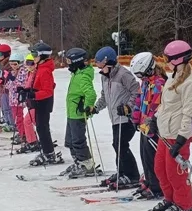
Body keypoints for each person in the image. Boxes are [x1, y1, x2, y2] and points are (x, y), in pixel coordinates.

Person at [140, 40, 192, 211]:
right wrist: (155, 119)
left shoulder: (190, 83)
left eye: (168, 58)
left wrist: (182, 138)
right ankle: (170, 200)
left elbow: (188, 113)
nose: (165, 61)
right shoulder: (173, 77)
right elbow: (165, 105)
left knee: (176, 173)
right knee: (160, 170)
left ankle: (185, 205)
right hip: (165, 134)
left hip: (177, 135)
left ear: (178, 59)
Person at [91, 46, 141, 191]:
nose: (100, 70)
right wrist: (95, 108)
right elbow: (104, 97)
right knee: (117, 145)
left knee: (121, 144)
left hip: (127, 118)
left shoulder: (124, 74)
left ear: (110, 63)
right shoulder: (104, 77)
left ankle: (132, 175)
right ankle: (122, 172)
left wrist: (128, 107)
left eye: (102, 66)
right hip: (115, 118)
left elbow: (137, 93)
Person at [127, 52, 165, 200]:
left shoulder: (159, 84)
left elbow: (156, 106)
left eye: (140, 74)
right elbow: (139, 101)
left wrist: (151, 122)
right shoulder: (145, 83)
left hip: (153, 129)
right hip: (144, 127)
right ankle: (149, 181)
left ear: (148, 69)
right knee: (144, 155)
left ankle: (157, 186)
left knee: (153, 158)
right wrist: (135, 119)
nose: (139, 78)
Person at [61, 47, 100, 177]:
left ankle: (87, 164)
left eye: (69, 61)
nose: (68, 64)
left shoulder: (83, 76)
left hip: (78, 114)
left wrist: (88, 107)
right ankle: (78, 162)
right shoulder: (76, 74)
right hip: (71, 114)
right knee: (70, 140)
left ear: (76, 62)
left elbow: (91, 94)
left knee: (78, 140)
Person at [28, 42, 63, 166]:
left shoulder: (45, 71)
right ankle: (46, 151)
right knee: (40, 127)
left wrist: (34, 95)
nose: (33, 57)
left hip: (44, 103)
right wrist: (27, 91)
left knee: (42, 128)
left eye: (34, 54)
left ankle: (49, 153)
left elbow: (48, 91)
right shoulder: (39, 68)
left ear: (42, 56)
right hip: (38, 102)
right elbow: (37, 85)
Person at [14, 53, 40, 153]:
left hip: (36, 102)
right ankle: (35, 141)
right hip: (31, 102)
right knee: (33, 121)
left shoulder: (37, 73)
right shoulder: (30, 73)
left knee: (29, 121)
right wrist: (23, 90)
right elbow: (28, 85)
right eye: (27, 63)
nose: (29, 65)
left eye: (31, 63)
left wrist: (30, 93)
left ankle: (33, 142)